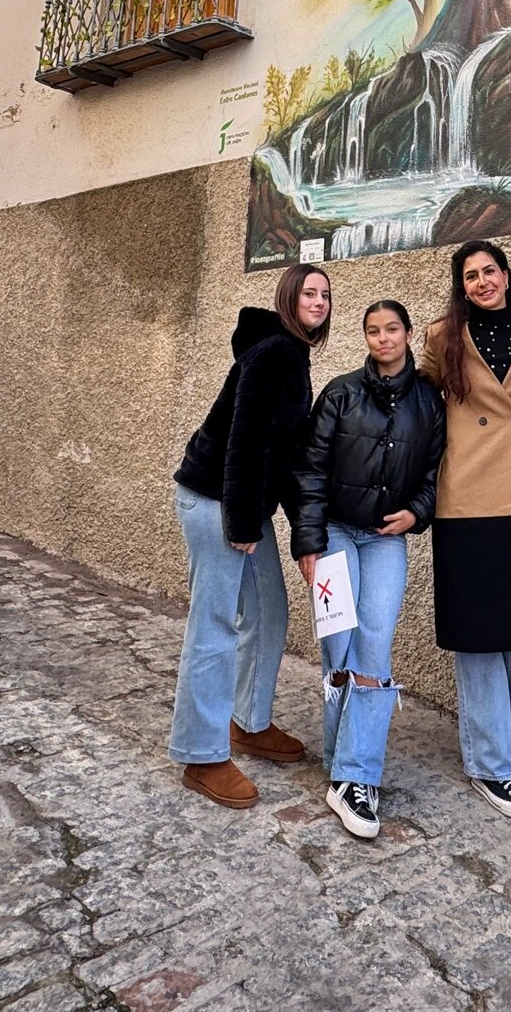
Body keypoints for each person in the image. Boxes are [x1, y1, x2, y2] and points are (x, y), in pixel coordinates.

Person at [168, 263, 331, 809]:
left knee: (269, 611)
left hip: (243, 505)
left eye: (325, 295)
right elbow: (244, 439)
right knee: (215, 624)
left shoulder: (292, 354)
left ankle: (248, 722)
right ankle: (201, 754)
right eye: (308, 293)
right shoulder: (273, 353)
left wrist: (304, 533)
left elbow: (283, 458)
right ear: (288, 299)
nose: (318, 301)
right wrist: (241, 522)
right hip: (215, 500)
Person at [290, 299, 445, 841]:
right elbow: (310, 469)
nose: (383, 338)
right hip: (335, 531)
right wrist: (308, 540)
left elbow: (436, 470)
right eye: (373, 330)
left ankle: (356, 777)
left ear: (407, 334)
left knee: (374, 649)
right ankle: (339, 762)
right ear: (366, 338)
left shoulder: (428, 401)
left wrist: (417, 512)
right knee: (339, 644)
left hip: (384, 540)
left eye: (392, 329)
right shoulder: (341, 393)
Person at [419, 240, 511, 820]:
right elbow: (417, 405)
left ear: (506, 275)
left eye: (490, 271)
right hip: (467, 496)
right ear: (462, 285)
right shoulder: (440, 336)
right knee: (480, 634)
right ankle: (491, 764)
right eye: (471, 275)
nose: (482, 282)